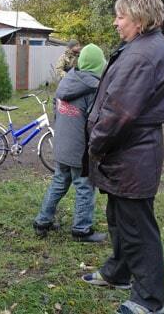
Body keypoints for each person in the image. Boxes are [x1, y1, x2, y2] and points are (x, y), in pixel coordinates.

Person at [81, 0, 164, 314]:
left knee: (137, 227)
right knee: (120, 220)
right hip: (127, 156)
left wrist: (95, 145)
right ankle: (118, 272)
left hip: (131, 154)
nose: (115, 22)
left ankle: (149, 301)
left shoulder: (143, 55)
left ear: (139, 19)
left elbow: (119, 112)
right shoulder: (142, 46)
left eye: (121, 16)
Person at [33, 44, 107, 243]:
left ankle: (42, 221)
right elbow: (95, 123)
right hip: (79, 150)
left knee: (59, 182)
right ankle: (82, 230)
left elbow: (56, 113)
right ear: (98, 66)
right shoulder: (93, 89)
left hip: (62, 144)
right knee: (85, 187)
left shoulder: (67, 82)